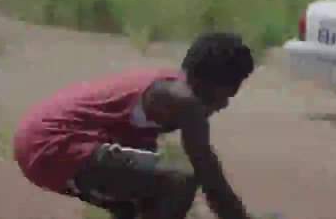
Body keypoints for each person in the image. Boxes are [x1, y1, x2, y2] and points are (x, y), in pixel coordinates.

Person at [13, 32, 255, 219]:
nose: (224, 104)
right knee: (179, 180)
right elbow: (210, 177)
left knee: (141, 197)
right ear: (212, 83)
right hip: (52, 144)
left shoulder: (168, 88)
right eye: (228, 94)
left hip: (39, 143)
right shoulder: (184, 101)